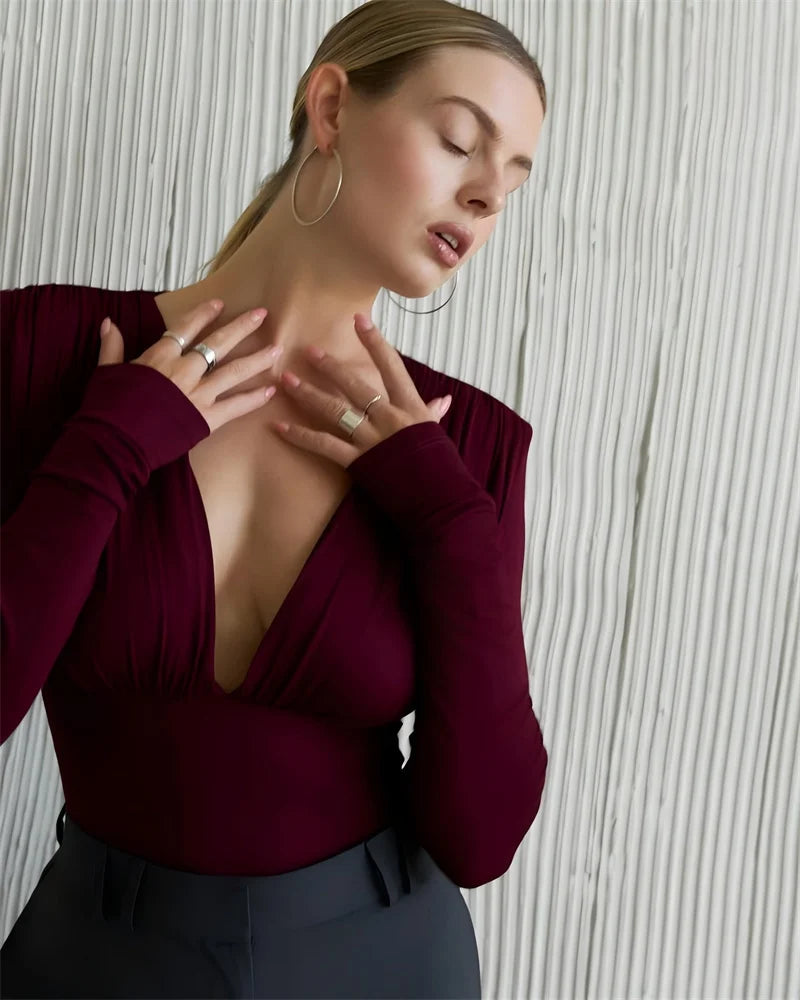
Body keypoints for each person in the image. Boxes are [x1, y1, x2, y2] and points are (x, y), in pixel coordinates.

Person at [0, 1, 549, 996]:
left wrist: (447, 521)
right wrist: (110, 447)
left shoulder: (468, 447)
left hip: (386, 963)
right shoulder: (42, 354)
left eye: (510, 182)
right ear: (331, 104)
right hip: (95, 965)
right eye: (461, 141)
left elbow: (479, 835)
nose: (481, 198)